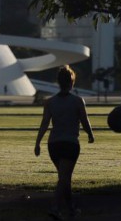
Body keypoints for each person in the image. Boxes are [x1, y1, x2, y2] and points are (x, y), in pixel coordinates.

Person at [35, 65, 95, 220]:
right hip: (70, 144)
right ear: (72, 82)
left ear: (58, 82)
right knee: (64, 178)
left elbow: (44, 124)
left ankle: (71, 208)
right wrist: (90, 134)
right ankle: (55, 207)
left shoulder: (50, 102)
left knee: (64, 177)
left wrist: (38, 143)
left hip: (53, 144)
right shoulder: (77, 101)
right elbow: (84, 120)